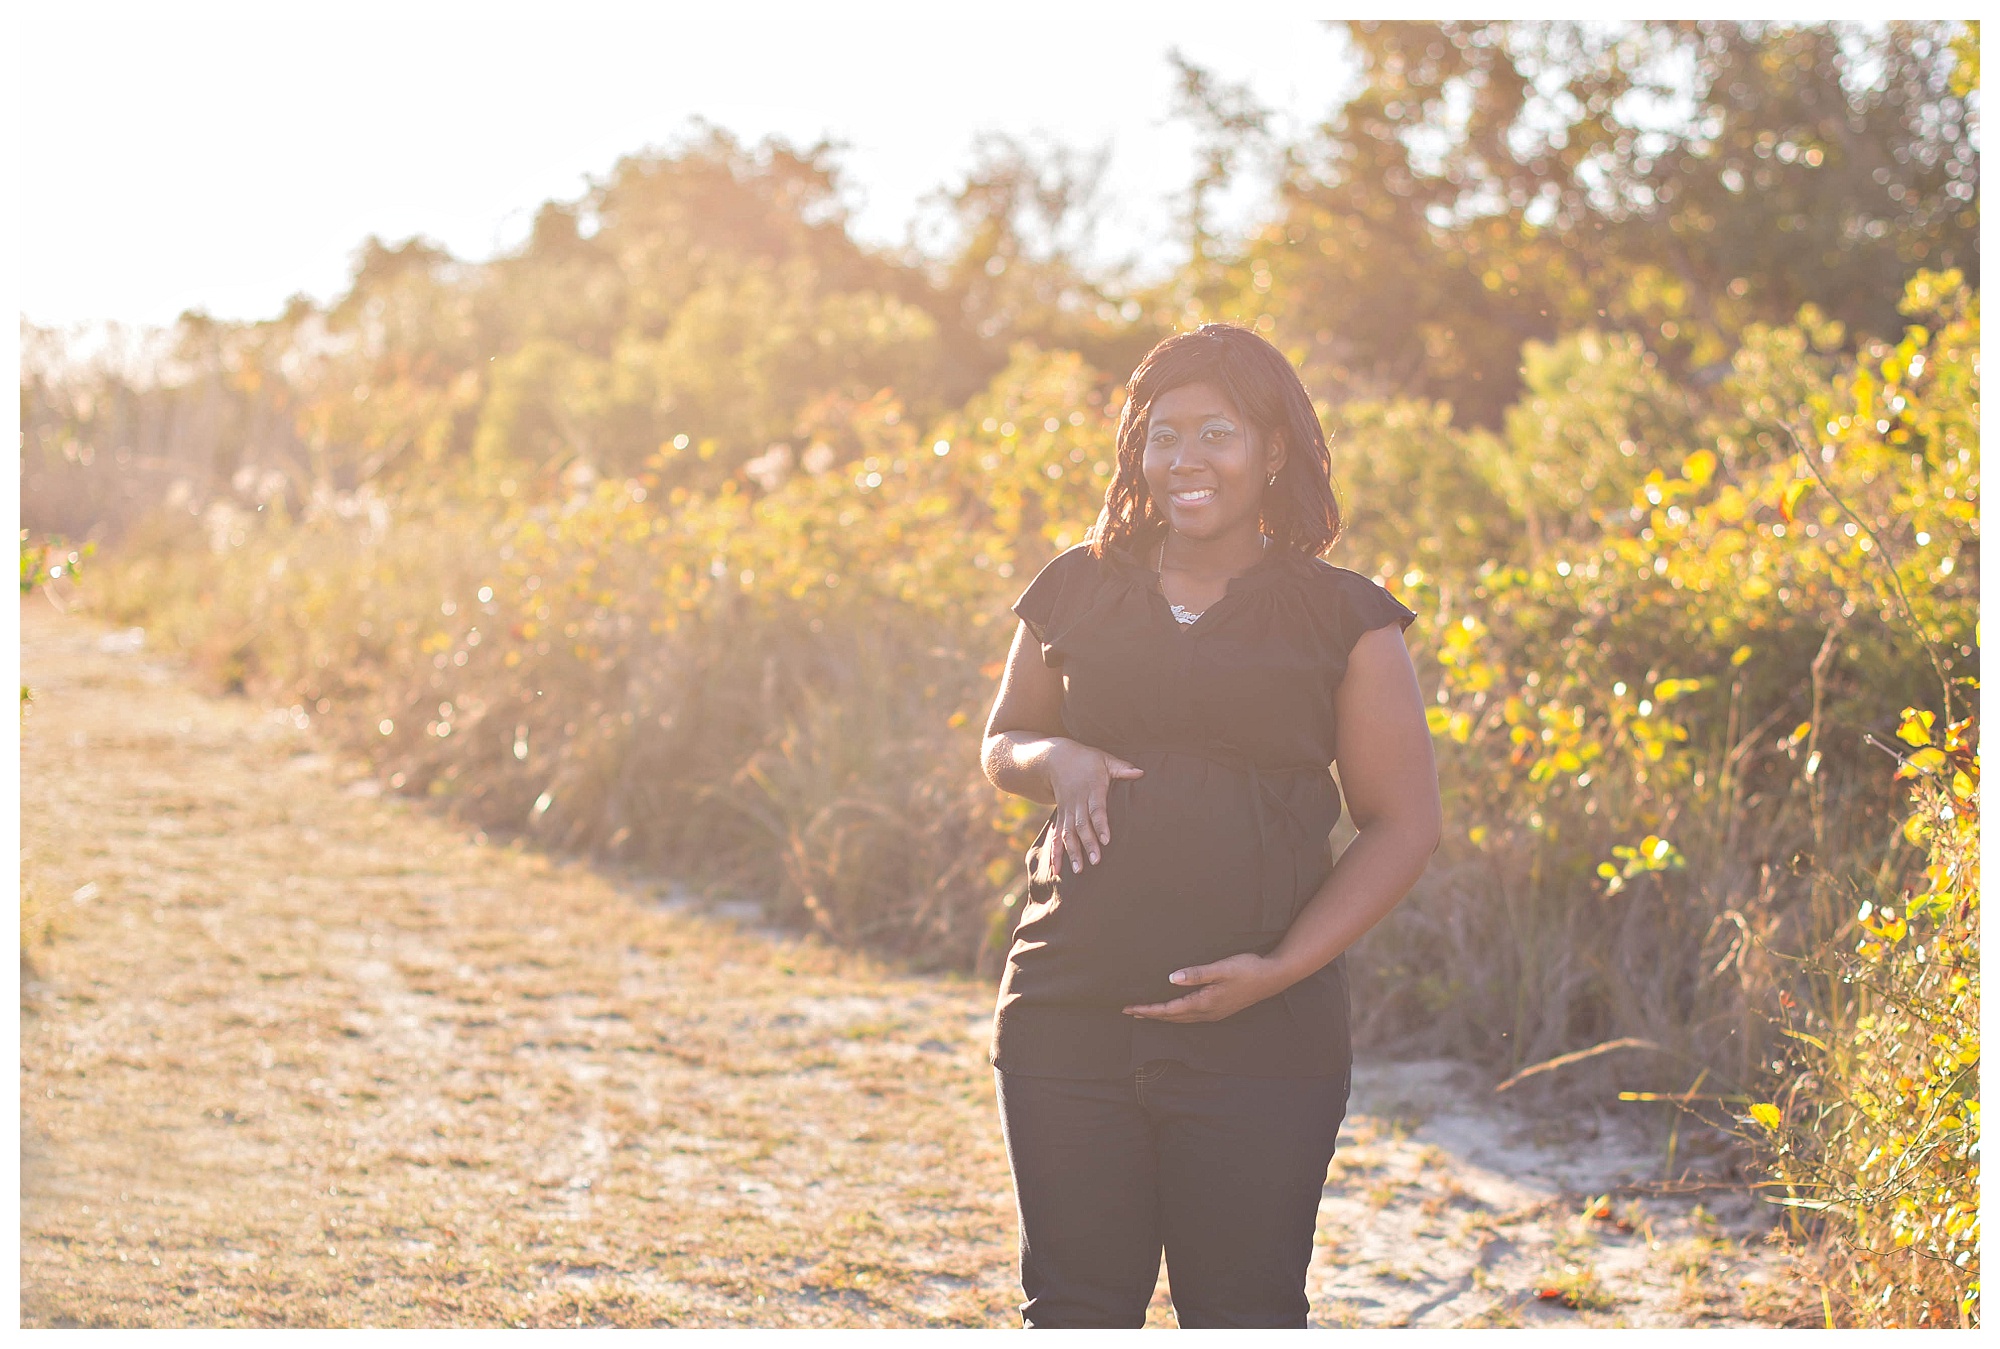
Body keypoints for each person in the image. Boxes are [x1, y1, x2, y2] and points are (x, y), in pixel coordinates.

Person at [978, 323, 1442, 1329]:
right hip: (1068, 1008)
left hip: (1264, 1038)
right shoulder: (1075, 585)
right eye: (1161, 434)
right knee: (1071, 1306)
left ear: (1271, 448)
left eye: (1215, 433)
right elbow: (1004, 737)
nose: (1184, 459)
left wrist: (1277, 970)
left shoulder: (1344, 617)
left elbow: (1401, 824)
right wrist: (1055, 760)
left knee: (1243, 1311)